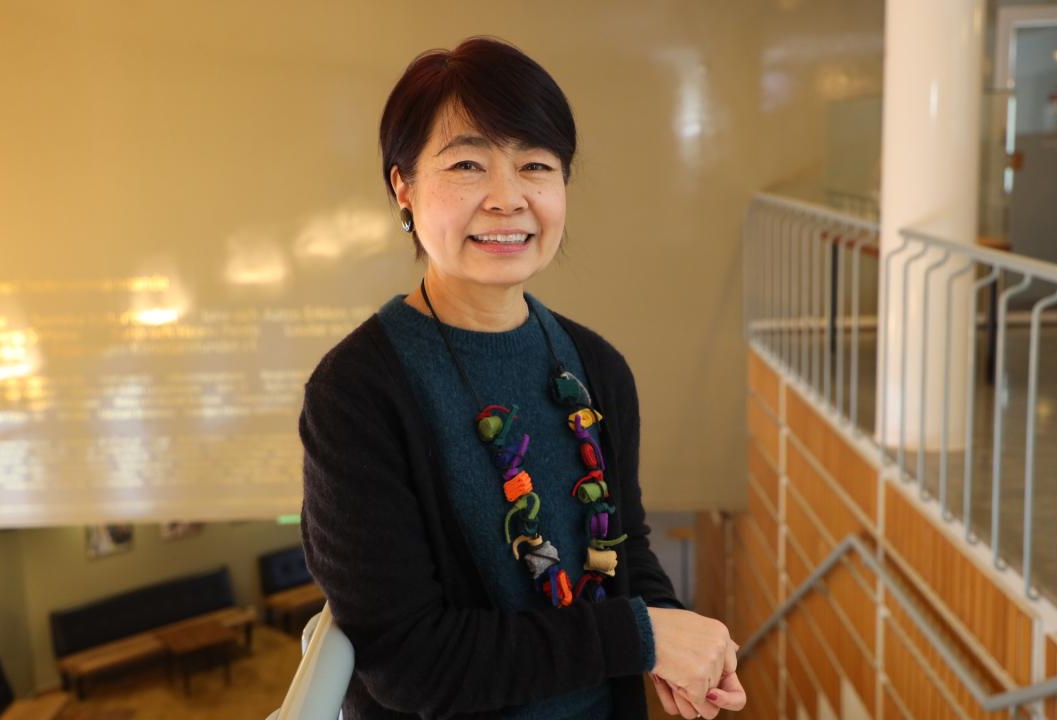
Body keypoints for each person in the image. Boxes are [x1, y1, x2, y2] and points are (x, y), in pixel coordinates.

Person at [299, 36, 748, 719]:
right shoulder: (356, 394)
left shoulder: (596, 366)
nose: (508, 199)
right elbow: (410, 660)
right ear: (404, 187)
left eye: (536, 165)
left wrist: (683, 647)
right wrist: (642, 636)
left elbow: (623, 547)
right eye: (468, 165)